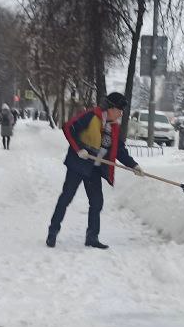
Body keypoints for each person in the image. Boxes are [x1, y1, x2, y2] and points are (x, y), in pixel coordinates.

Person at [47, 92, 143, 250]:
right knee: (66, 197)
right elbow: (68, 128)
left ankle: (92, 237)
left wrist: (134, 166)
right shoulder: (91, 116)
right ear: (110, 108)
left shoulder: (114, 128)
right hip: (79, 163)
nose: (121, 113)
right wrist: (79, 149)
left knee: (97, 202)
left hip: (95, 169)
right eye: (119, 109)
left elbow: (119, 150)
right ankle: (53, 231)